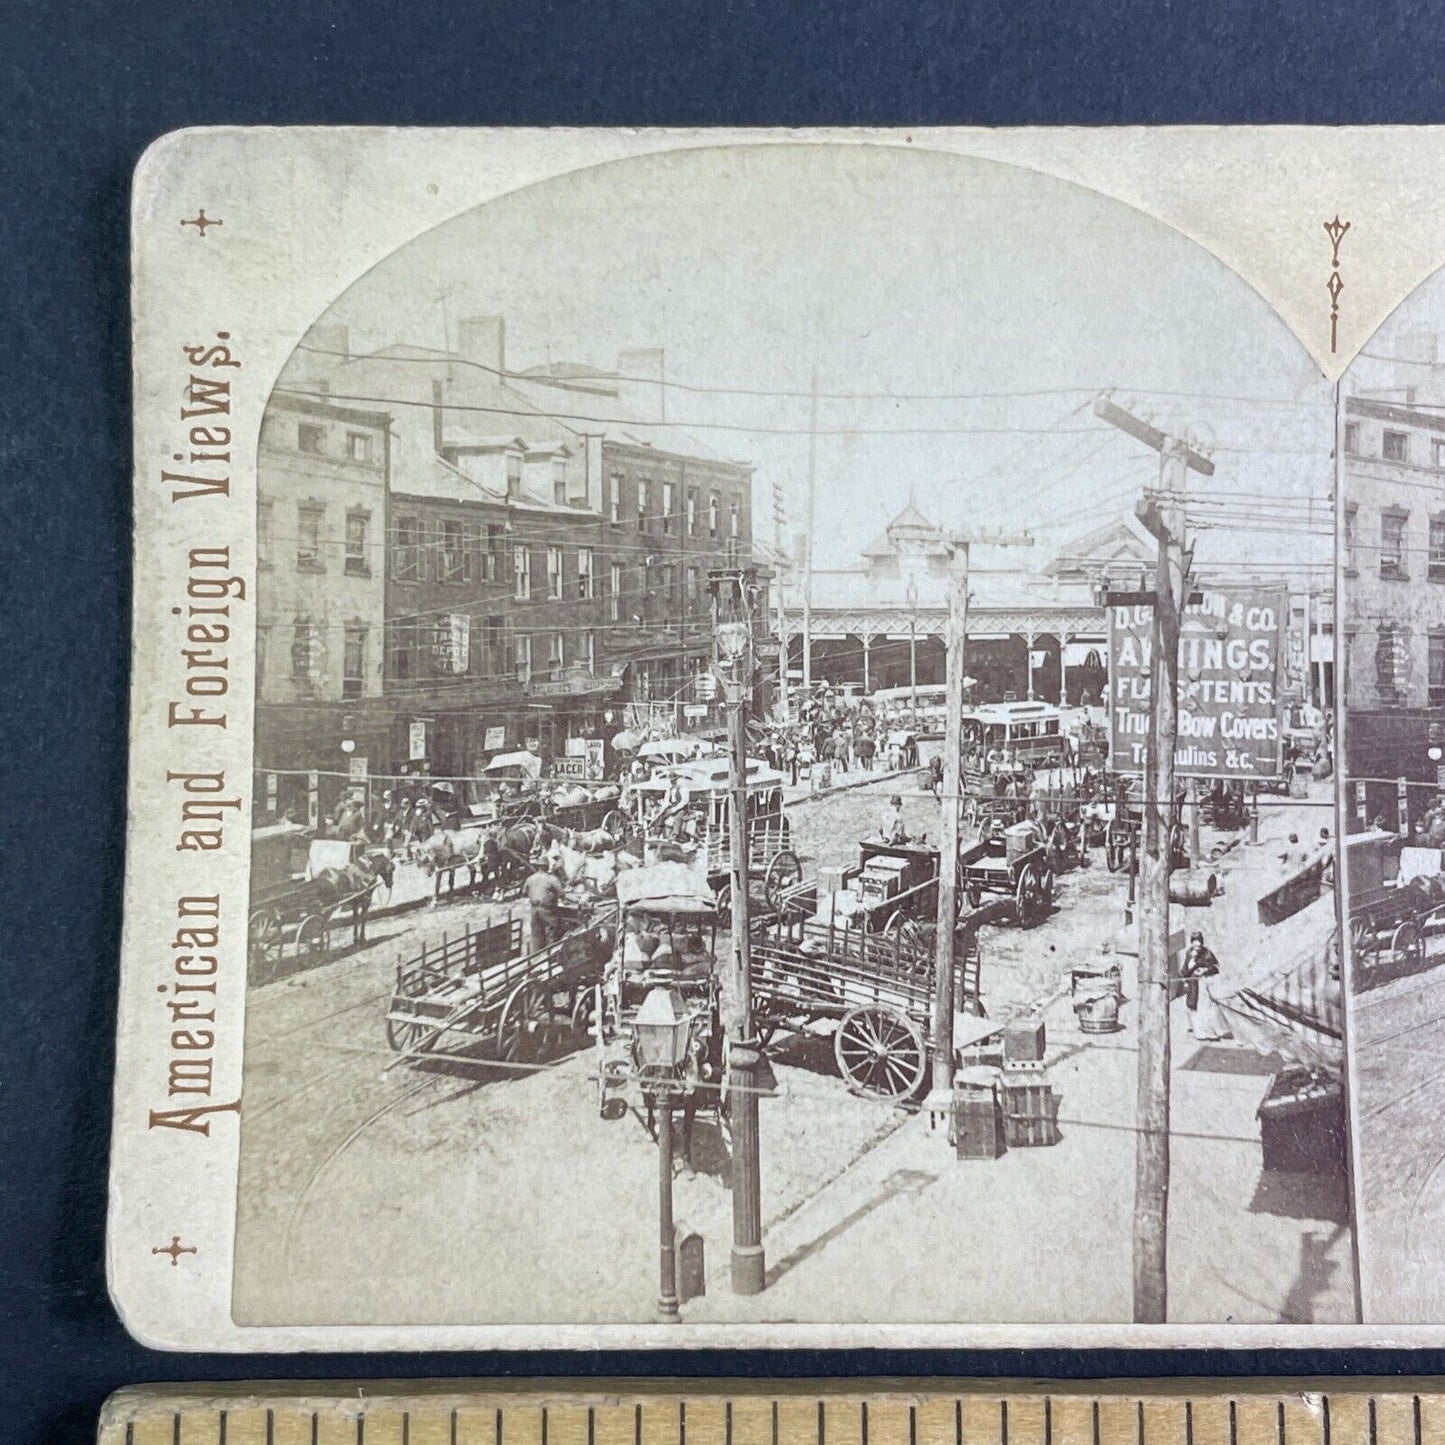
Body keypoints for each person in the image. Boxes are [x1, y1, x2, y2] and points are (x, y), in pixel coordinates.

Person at [1181, 931, 1228, 1040]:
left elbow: (1216, 967)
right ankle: (1197, 1030)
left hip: (1204, 984)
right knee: (1192, 1006)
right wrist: (1186, 978)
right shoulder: (1189, 953)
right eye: (1194, 943)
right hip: (1193, 983)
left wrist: (1205, 970)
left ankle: (1209, 1032)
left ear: (1202, 943)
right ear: (1192, 943)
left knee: (1206, 1008)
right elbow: (1184, 970)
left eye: (1199, 943)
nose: (1197, 946)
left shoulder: (1207, 953)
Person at [524, 862, 566, 954]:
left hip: (534, 909)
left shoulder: (530, 878)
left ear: (538, 867)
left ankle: (536, 957)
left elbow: (524, 892)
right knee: (552, 932)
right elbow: (562, 893)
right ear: (547, 867)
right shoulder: (551, 879)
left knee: (536, 934)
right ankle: (550, 956)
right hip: (546, 909)